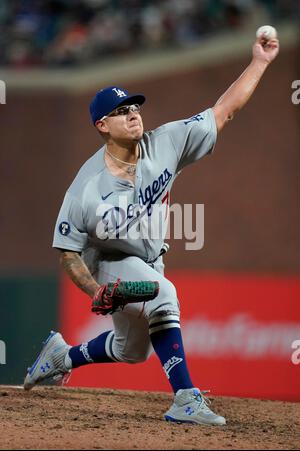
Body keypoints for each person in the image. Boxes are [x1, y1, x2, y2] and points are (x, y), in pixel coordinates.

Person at [24, 34, 279, 425]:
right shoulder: (86, 188)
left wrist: (259, 63)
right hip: (105, 260)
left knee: (132, 350)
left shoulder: (167, 143)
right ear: (102, 125)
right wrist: (97, 292)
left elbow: (223, 111)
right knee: (165, 296)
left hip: (148, 259)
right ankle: (185, 399)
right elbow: (67, 251)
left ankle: (62, 356)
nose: (133, 113)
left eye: (134, 106)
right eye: (121, 110)